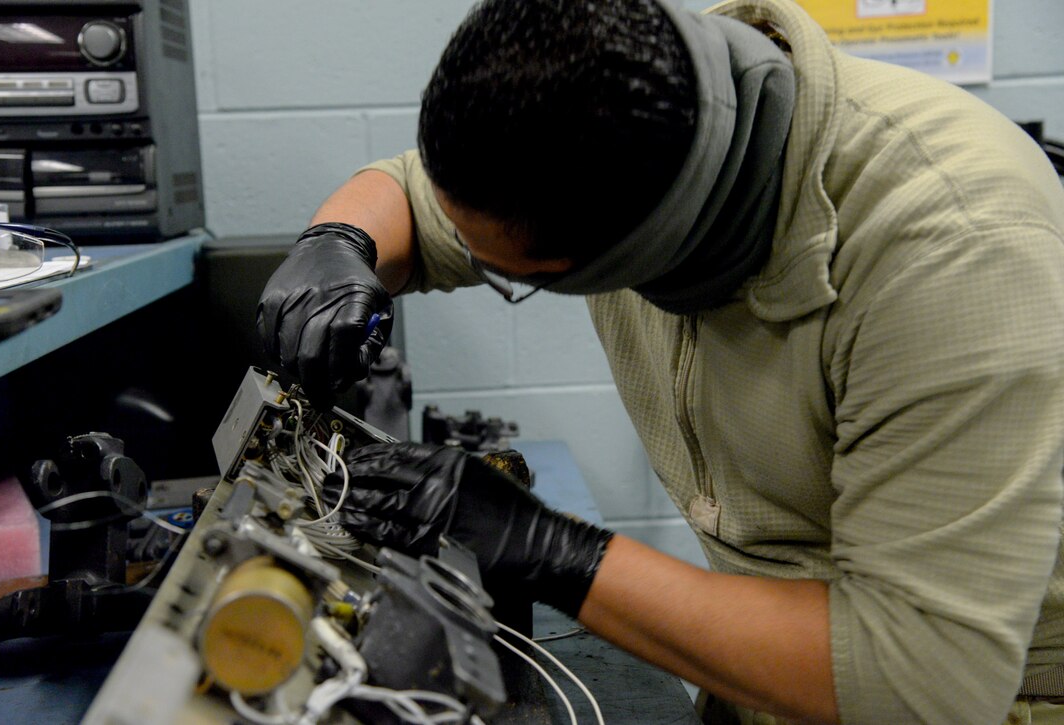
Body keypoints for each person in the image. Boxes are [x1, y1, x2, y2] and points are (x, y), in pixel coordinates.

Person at [256, 0, 1064, 722]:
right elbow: (414, 193)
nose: (467, 261)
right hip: (770, 670)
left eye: (514, 278)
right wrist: (340, 245)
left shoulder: (954, 249)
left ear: (646, 257)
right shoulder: (636, 116)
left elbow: (919, 682)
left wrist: (547, 548)